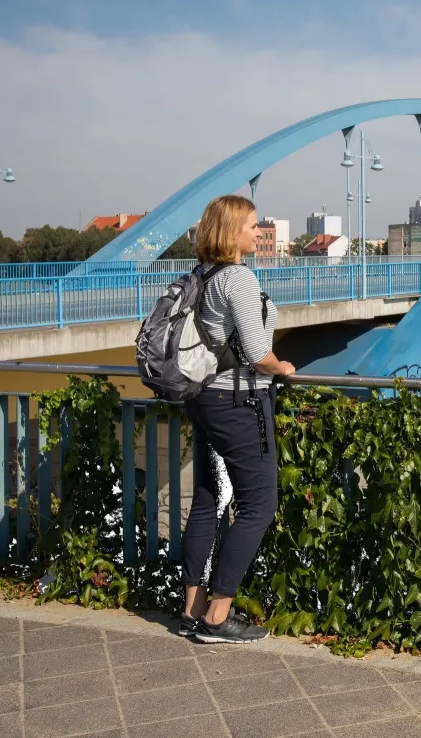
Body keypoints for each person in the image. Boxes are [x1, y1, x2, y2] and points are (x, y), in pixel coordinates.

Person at [178, 194, 295, 644]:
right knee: (259, 505)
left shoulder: (201, 275)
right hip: (238, 403)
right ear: (231, 232)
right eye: (251, 225)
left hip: (204, 398)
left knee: (209, 498)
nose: (258, 231)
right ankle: (217, 617)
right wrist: (280, 366)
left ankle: (193, 607)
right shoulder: (239, 279)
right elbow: (254, 351)